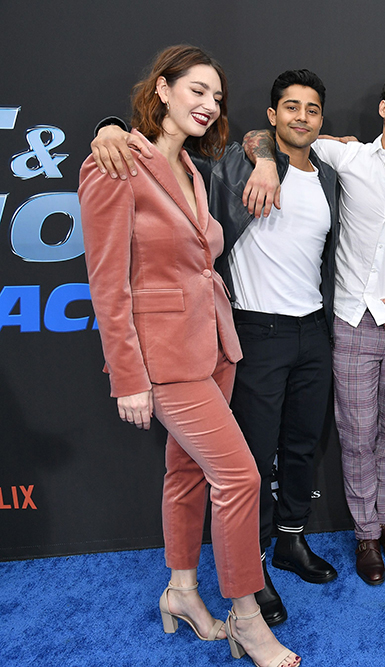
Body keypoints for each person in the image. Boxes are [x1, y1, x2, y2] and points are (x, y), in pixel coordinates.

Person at [89, 69, 341, 627]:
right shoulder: (231, 163)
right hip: (249, 332)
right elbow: (109, 282)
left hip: (306, 331)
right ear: (271, 117)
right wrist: (110, 127)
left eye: (314, 110)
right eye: (290, 107)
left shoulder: (325, 175)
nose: (302, 117)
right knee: (246, 463)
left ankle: (287, 544)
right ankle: (249, 580)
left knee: (300, 447)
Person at [242, 70, 385, 586]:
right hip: (351, 321)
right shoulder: (345, 155)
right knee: (357, 438)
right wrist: (265, 160)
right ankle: (366, 537)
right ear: (383, 107)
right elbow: (264, 135)